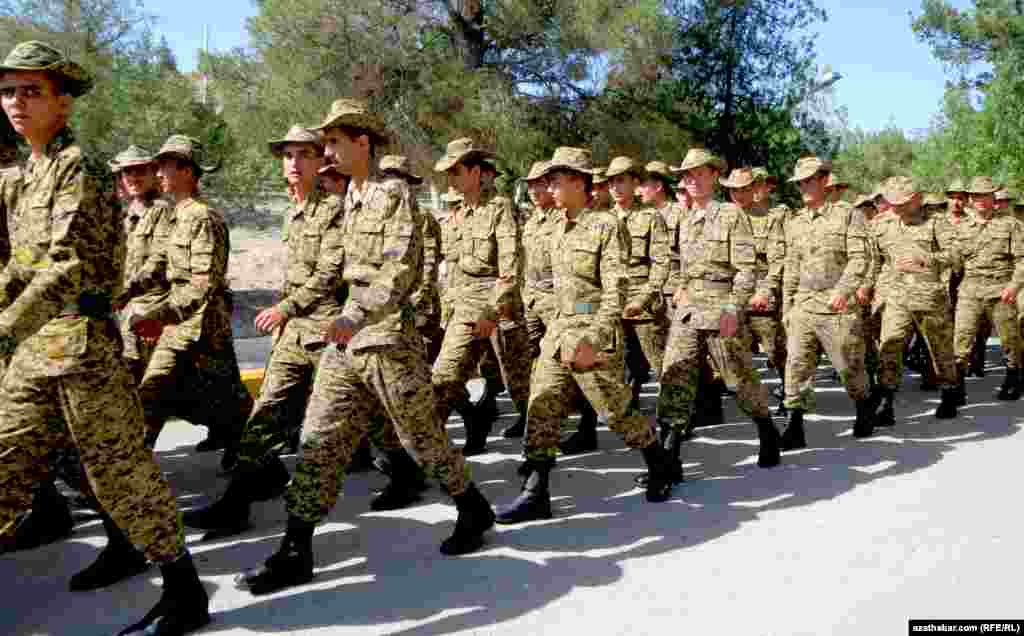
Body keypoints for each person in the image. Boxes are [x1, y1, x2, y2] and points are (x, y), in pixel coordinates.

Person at [235, 99, 495, 597]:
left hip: (385, 339)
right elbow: (335, 269)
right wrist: (300, 309)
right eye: (324, 142)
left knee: (422, 438)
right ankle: (296, 548)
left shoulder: (392, 196)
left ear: (363, 143)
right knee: (318, 439)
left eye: (334, 141)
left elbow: (399, 271)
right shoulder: (345, 202)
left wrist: (353, 315)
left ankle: (471, 505)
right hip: (346, 341)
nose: (326, 149)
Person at [0, 40, 209, 635]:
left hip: (81, 348)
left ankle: (184, 590)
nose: (16, 102)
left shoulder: (80, 169)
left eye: (31, 90)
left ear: (62, 101)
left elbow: (65, 265)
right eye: (8, 91)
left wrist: (4, 327)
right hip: (33, 351)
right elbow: (19, 266)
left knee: (121, 473)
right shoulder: (27, 176)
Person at [494, 147, 675, 525]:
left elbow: (615, 290)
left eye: (557, 180)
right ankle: (536, 492)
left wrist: (594, 336)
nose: (550, 187)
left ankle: (660, 461)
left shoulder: (606, 226)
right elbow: (546, 282)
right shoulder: (555, 226)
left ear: (579, 182)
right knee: (541, 405)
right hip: (559, 332)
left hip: (592, 333)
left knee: (617, 413)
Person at [128, 134, 253, 467]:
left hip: (200, 324)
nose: (158, 175)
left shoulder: (202, 218)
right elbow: (156, 265)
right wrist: (121, 293)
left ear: (187, 171)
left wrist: (162, 314)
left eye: (165, 167)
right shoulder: (175, 215)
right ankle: (257, 463)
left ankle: (129, 477)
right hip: (184, 323)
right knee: (222, 397)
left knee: (152, 393)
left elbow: (203, 284)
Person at [657, 156, 780, 476]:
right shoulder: (683, 218)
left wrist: (732, 308)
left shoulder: (730, 215)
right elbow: (676, 262)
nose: (693, 180)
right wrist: (678, 289)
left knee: (738, 379)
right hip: (688, 311)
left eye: (700, 173)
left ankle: (767, 431)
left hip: (720, 307)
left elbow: (745, 268)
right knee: (675, 375)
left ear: (714, 176)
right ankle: (669, 456)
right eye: (688, 175)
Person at [431, 137, 529, 455]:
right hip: (460, 311)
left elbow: (510, 268)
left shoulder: (499, 208)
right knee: (445, 376)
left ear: (475, 172)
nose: (451, 178)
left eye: (456, 171)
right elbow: (450, 269)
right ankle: (427, 450)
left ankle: (539, 442)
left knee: (519, 381)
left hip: (494, 309)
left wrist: (492, 311)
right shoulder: (457, 215)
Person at [782, 156, 873, 445]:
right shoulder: (795, 222)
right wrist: (788, 306)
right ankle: (794, 425)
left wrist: (843, 290)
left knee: (848, 366)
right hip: (804, 304)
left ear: (824, 180)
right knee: (796, 365)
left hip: (838, 306)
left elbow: (861, 258)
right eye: (800, 183)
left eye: (810, 180)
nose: (805, 187)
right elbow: (792, 266)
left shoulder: (848, 215)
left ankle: (863, 407)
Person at [871, 177, 960, 423]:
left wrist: (927, 259)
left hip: (929, 297)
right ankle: (886, 402)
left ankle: (949, 393)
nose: (896, 208)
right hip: (896, 297)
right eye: (893, 203)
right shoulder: (883, 225)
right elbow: (874, 261)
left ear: (917, 199)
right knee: (890, 346)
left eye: (902, 203)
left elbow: (955, 255)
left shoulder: (935, 222)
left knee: (940, 349)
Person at [951, 176, 1024, 402]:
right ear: (970, 200)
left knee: (1010, 340)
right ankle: (956, 389)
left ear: (994, 197)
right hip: (969, 292)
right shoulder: (961, 227)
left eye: (985, 195)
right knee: (961, 340)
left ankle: (1013, 380)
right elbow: (953, 261)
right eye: (975, 196)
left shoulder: (1011, 225)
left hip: (1001, 290)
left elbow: (1022, 259)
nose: (980, 200)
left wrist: (1014, 285)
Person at [607, 156, 670, 414]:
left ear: (635, 183)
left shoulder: (650, 217)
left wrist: (642, 299)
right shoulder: (603, 219)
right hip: (613, 303)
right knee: (615, 364)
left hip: (643, 305)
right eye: (611, 182)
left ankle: (674, 419)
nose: (615, 187)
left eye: (621, 180)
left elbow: (661, 263)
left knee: (661, 365)